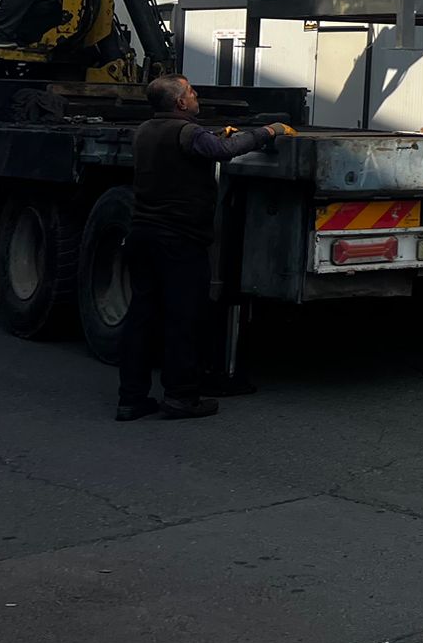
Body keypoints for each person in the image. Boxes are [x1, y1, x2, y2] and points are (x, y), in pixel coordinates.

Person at [117, 75, 293, 421]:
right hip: (179, 240)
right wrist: (269, 131)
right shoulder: (188, 133)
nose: (196, 95)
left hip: (142, 235)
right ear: (180, 103)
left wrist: (213, 137)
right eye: (191, 92)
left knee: (142, 316)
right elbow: (224, 152)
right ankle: (181, 397)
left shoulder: (146, 130)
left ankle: (131, 398)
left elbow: (197, 149)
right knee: (183, 318)